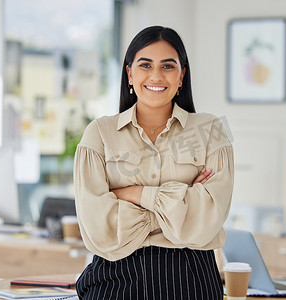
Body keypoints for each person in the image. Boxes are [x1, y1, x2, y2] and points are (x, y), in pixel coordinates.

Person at [73, 26, 234, 299]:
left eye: (168, 66)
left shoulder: (211, 130)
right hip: (114, 280)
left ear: (182, 76)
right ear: (129, 74)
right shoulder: (99, 133)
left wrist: (132, 194)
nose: (156, 75)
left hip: (191, 279)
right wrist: (180, 203)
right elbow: (98, 228)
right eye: (145, 64)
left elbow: (205, 223)